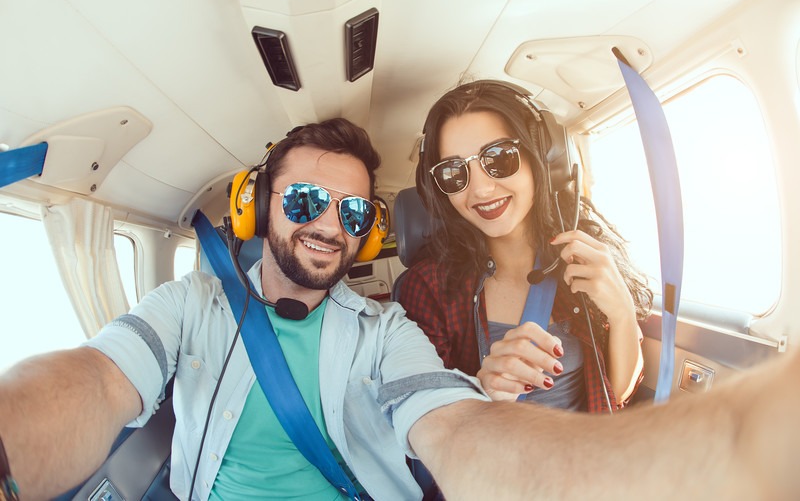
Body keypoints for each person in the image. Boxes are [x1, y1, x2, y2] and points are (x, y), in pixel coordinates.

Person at [2, 117, 800, 500]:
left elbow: (457, 427)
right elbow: (98, 379)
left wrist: (727, 454)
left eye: (352, 213)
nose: (328, 224)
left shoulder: (389, 328)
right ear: (259, 204)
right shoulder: (191, 303)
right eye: (308, 199)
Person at [397, 80, 653, 411]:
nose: (481, 189)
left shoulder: (586, 259)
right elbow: (424, 417)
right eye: (454, 172)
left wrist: (622, 313)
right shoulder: (428, 286)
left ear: (543, 159)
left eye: (499, 157)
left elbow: (614, 397)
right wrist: (480, 391)